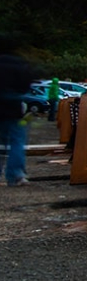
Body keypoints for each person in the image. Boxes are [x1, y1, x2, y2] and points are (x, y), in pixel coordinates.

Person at [0, 36, 35, 187]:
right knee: (17, 142)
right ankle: (16, 175)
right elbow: (27, 84)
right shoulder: (20, 64)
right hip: (14, 106)